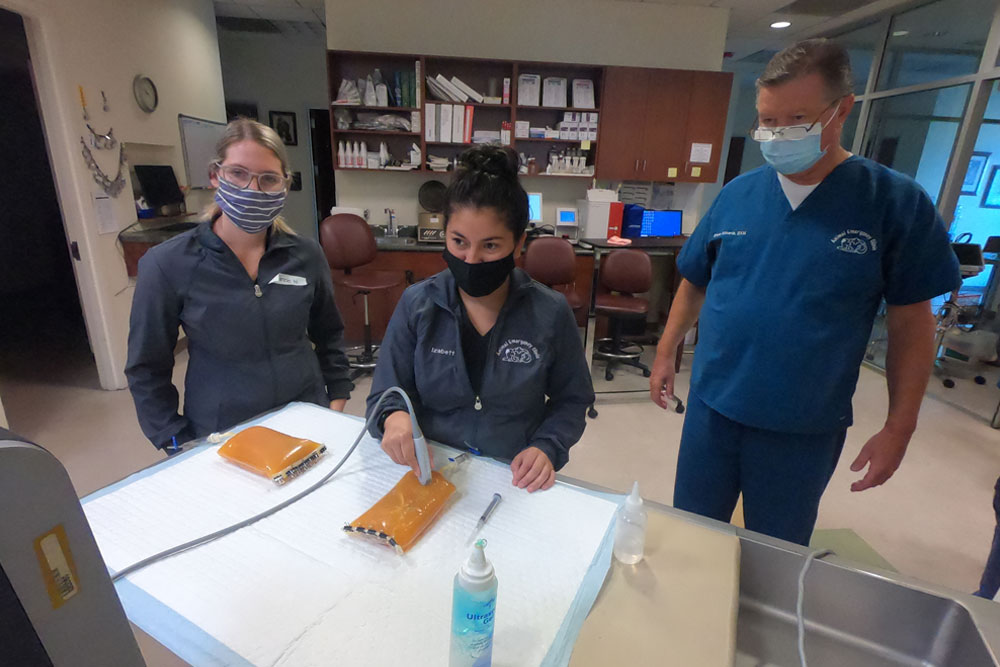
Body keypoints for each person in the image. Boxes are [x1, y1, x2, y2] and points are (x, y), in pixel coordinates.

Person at [648, 38, 961, 546]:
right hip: (714, 409)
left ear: (842, 111)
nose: (776, 135)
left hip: (801, 427)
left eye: (794, 119)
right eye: (767, 120)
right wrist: (666, 352)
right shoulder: (739, 194)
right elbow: (695, 279)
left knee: (777, 550)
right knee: (693, 537)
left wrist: (898, 427)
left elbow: (911, 324)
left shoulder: (893, 203)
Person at [366, 145, 594, 492]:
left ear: (518, 244)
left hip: (512, 477)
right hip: (431, 471)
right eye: (459, 241)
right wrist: (394, 418)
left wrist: (547, 446)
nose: (470, 259)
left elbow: (573, 398)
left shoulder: (549, 312)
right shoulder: (417, 305)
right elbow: (386, 392)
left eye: (490, 246)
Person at [126, 118, 352, 454]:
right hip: (219, 430)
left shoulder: (306, 254)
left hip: (306, 417)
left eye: (268, 179)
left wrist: (337, 398)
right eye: (238, 174)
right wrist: (174, 439)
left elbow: (329, 332)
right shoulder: (168, 264)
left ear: (284, 185)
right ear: (215, 175)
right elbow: (147, 366)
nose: (252, 189)